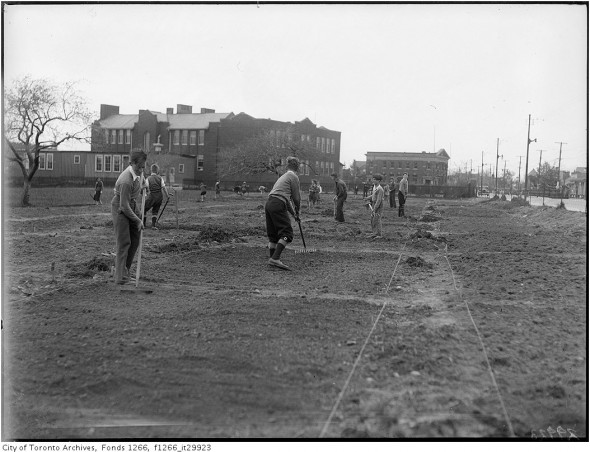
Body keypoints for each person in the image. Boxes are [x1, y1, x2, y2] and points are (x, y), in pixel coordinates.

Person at [111, 149, 148, 285]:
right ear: (131, 163)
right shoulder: (126, 180)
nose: (141, 170)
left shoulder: (139, 172)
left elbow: (141, 181)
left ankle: (125, 270)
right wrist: (138, 220)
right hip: (121, 208)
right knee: (124, 242)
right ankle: (120, 277)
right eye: (139, 167)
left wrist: (144, 186)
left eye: (143, 167)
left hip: (131, 204)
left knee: (135, 239)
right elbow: (124, 206)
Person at [265, 156, 301, 270]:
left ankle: (272, 259)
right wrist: (298, 210)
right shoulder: (294, 177)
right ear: (297, 167)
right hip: (278, 204)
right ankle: (275, 259)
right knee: (287, 233)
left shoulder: (284, 176)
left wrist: (294, 214)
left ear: (287, 166)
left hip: (270, 203)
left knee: (273, 235)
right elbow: (296, 198)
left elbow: (285, 199)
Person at [143, 164, 168, 229]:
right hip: (159, 197)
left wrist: (145, 195)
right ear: (157, 171)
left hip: (152, 196)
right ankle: (153, 225)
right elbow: (164, 188)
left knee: (144, 209)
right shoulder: (160, 178)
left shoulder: (148, 178)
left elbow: (145, 187)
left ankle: (143, 224)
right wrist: (167, 196)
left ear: (151, 170)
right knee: (155, 211)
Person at [364, 174, 384, 238]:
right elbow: (373, 195)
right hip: (373, 203)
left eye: (375, 179)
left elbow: (379, 200)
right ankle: (374, 233)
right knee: (372, 219)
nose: (373, 180)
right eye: (373, 179)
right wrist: (367, 198)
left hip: (378, 205)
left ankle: (379, 234)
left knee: (377, 219)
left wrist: (375, 208)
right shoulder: (374, 187)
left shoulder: (380, 189)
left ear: (379, 181)